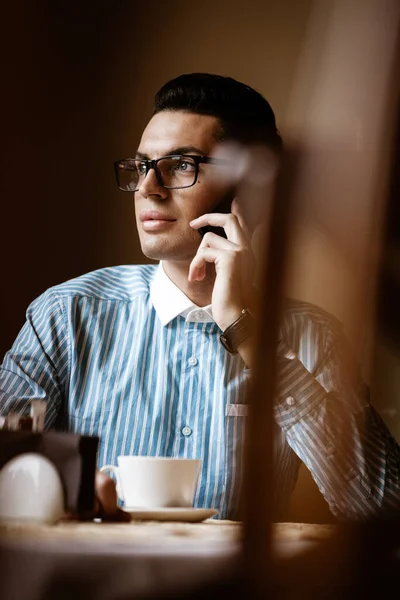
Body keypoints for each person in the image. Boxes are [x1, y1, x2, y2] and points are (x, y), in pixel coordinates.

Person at [1, 73, 399, 522]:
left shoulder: (314, 336)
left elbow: (384, 514)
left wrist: (248, 331)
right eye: (141, 166)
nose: (149, 188)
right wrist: (60, 491)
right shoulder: (66, 315)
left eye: (182, 165)